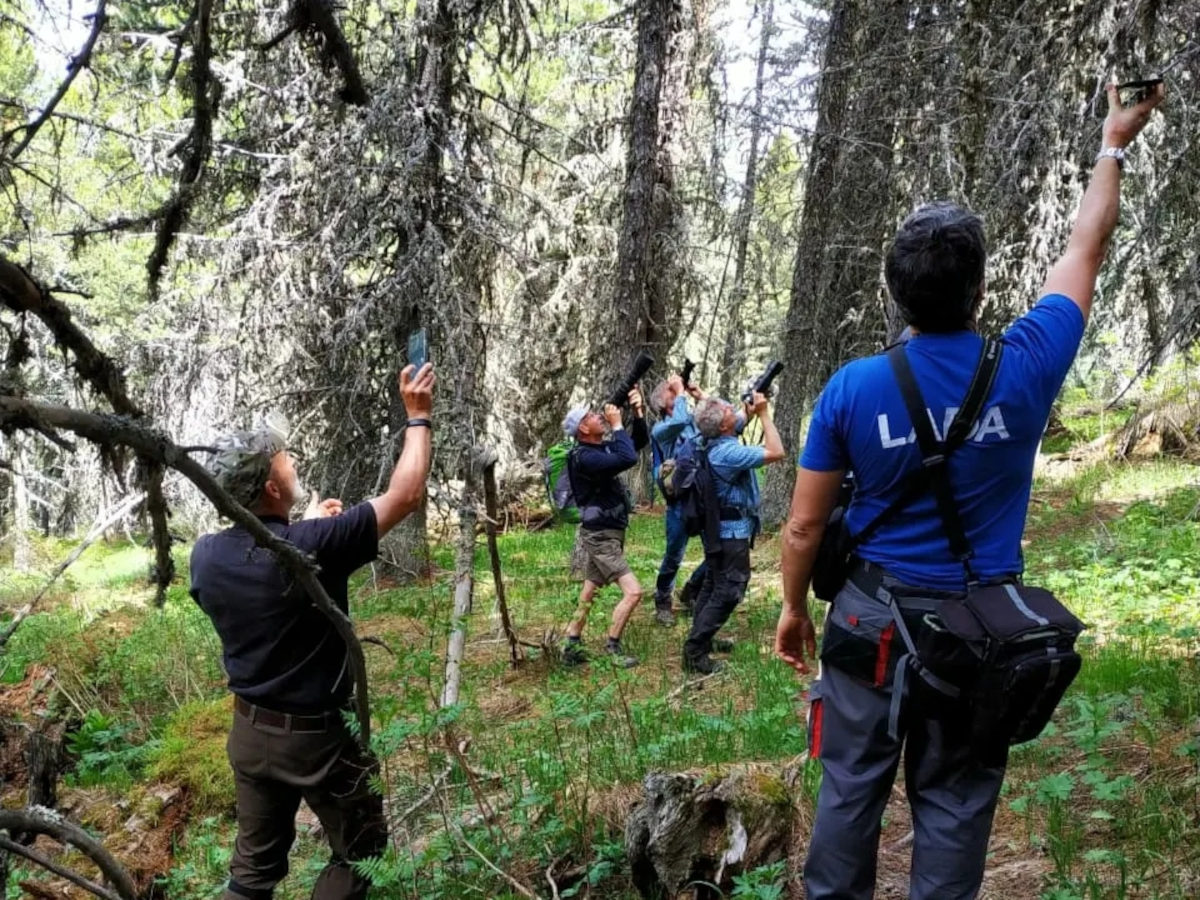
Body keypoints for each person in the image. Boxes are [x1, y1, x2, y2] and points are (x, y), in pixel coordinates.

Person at [775, 82, 1164, 900]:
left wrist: (792, 609)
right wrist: (1113, 144)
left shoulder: (850, 389)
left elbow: (805, 530)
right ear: (981, 291)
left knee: (850, 784)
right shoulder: (1026, 363)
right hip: (979, 630)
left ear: (895, 295)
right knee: (954, 800)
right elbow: (1084, 250)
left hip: (869, 623)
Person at [190, 363, 436, 900]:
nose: (293, 458)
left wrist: (314, 528)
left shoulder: (206, 556)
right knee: (361, 851)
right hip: (316, 739)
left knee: (252, 873)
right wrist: (417, 416)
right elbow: (407, 494)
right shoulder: (311, 546)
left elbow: (263, 565)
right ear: (274, 486)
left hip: (249, 734)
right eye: (285, 456)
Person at [682, 390, 785, 674]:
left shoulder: (712, 439)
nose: (734, 410)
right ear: (724, 426)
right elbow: (777, 452)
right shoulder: (727, 452)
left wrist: (752, 406)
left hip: (718, 529)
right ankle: (695, 652)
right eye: (729, 411)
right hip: (731, 533)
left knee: (713, 584)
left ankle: (701, 638)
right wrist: (764, 413)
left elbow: (738, 420)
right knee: (729, 590)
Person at [560, 388, 649, 668]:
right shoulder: (584, 457)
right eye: (591, 416)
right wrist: (618, 424)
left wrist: (637, 414)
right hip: (600, 535)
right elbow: (627, 459)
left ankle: (571, 643)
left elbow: (635, 445)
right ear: (583, 428)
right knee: (633, 591)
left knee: (591, 589)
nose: (599, 416)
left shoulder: (598, 449)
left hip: (608, 531)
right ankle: (613, 648)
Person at [648, 372, 708, 624]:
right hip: (679, 501)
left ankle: (692, 590)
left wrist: (701, 397)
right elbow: (680, 418)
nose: (676, 393)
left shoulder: (692, 420)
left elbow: (723, 420)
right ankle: (663, 600)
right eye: (670, 392)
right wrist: (681, 392)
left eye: (675, 390)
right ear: (662, 404)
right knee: (674, 553)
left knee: (718, 551)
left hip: (703, 495)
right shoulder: (661, 429)